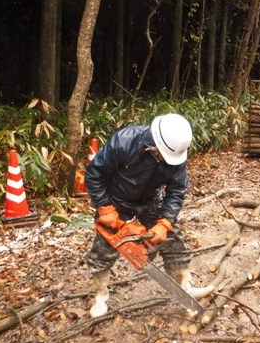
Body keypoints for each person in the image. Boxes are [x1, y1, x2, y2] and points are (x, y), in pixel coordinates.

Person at [84, 113, 210, 317]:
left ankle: (184, 286)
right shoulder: (124, 142)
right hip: (116, 198)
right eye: (162, 154)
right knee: (103, 249)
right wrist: (104, 207)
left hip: (150, 199)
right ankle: (100, 296)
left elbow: (177, 189)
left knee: (173, 237)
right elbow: (94, 173)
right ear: (155, 143)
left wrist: (166, 222)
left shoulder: (177, 154)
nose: (164, 159)